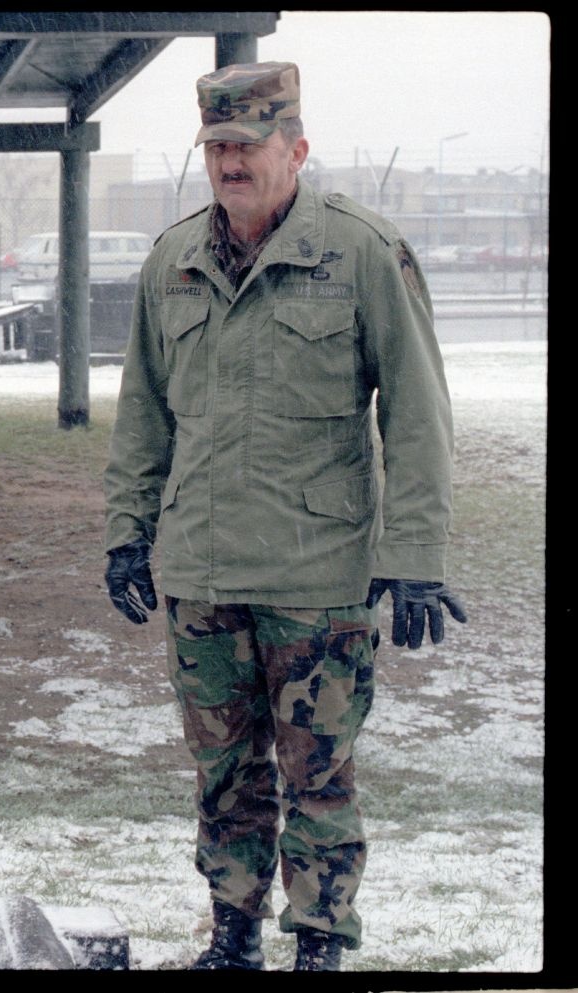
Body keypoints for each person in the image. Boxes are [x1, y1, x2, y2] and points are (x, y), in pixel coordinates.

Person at [101, 62, 468, 972]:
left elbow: (419, 411)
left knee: (319, 777)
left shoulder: (361, 252)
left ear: (295, 149)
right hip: (202, 571)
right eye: (217, 146)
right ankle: (230, 933)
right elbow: (143, 410)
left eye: (249, 145)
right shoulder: (172, 261)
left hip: (318, 575)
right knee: (224, 775)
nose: (231, 162)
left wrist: (414, 551)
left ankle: (318, 942)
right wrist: (126, 529)